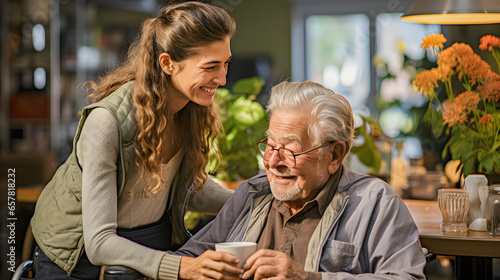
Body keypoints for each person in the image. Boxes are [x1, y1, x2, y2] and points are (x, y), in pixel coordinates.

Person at [30, 2, 236, 279]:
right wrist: (181, 267)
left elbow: (186, 189)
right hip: (77, 265)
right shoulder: (106, 123)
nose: (222, 78)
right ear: (168, 63)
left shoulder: (191, 110)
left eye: (226, 64)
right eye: (211, 67)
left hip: (146, 249)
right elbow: (100, 244)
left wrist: (251, 199)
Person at [174, 80, 427, 280]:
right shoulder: (251, 195)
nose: (273, 162)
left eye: (290, 152)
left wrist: (307, 278)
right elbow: (188, 258)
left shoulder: (375, 202)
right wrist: (203, 270)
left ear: (334, 155)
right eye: (270, 146)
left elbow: (407, 277)